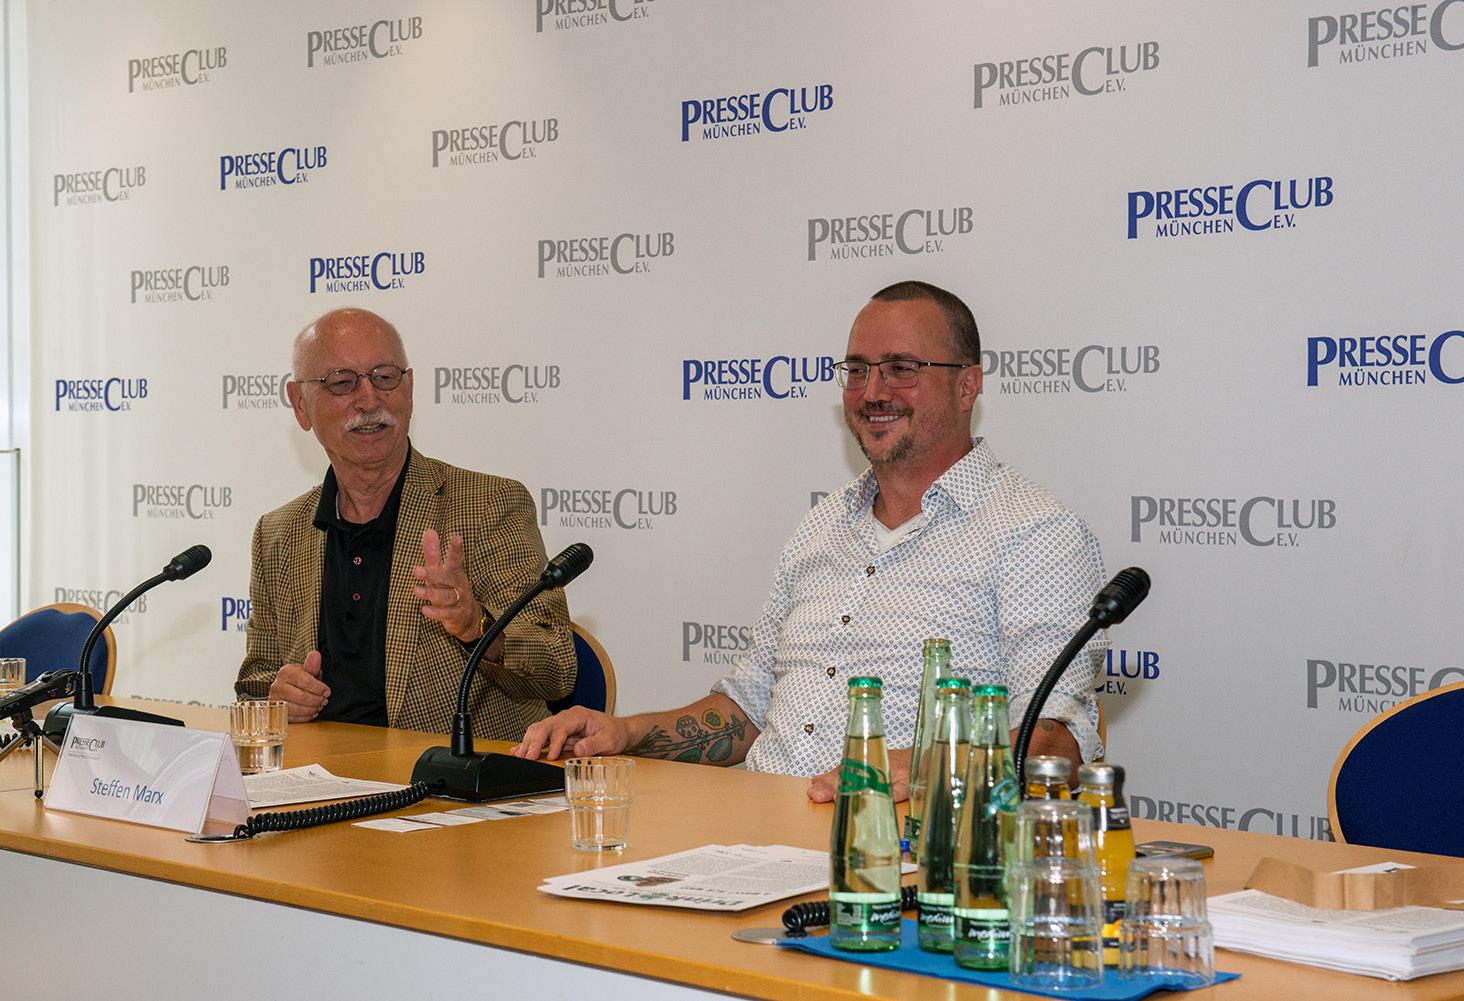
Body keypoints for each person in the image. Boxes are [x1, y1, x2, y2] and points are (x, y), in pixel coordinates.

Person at [513, 281, 1107, 800]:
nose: (873, 391)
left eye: (902, 368)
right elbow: (745, 709)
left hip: (898, 847)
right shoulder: (821, 525)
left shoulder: (1035, 532)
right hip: (756, 833)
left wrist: (928, 768)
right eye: (857, 370)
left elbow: (1057, 741)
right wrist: (626, 732)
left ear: (967, 385)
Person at [235, 307, 575, 739]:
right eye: (342, 382)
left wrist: (477, 627)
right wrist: (279, 695)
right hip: (319, 773)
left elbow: (557, 667)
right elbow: (254, 685)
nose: (369, 400)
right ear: (300, 405)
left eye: (384, 377)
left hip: (447, 772)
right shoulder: (277, 533)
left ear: (409, 389)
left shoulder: (490, 505)